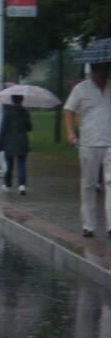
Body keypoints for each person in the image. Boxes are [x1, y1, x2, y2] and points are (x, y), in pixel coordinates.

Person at [64, 60, 111, 238]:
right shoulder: (81, 89)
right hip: (88, 143)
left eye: (107, 70)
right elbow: (69, 111)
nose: (104, 74)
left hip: (109, 143)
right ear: (93, 71)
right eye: (101, 71)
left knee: (110, 183)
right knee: (89, 185)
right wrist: (70, 133)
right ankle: (88, 225)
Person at [0, 95, 32, 195]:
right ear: (22, 100)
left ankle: (7, 184)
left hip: (9, 142)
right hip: (22, 141)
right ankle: (22, 185)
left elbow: (3, 130)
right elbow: (29, 128)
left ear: (12, 100)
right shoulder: (25, 112)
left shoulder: (8, 113)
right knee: (21, 164)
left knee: (9, 165)